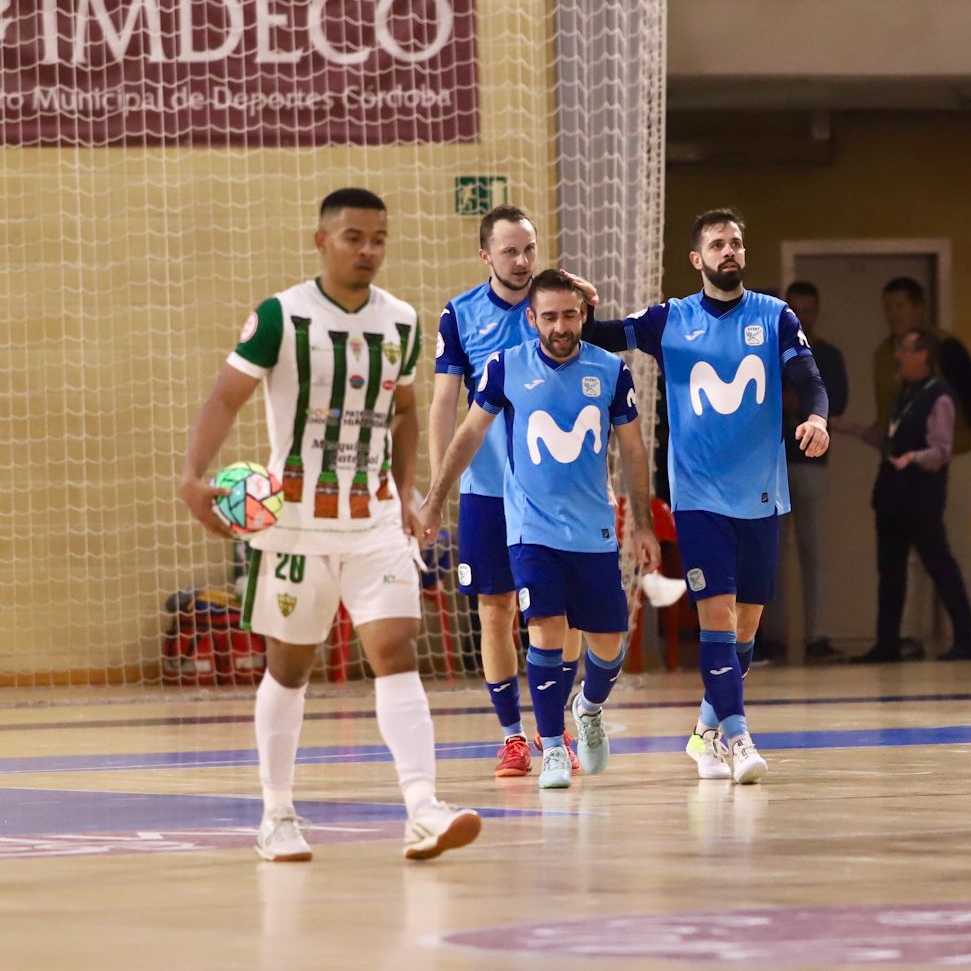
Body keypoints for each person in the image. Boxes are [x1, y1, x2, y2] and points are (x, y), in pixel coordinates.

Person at [178, 188, 480, 862]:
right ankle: (277, 813)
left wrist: (403, 493)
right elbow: (227, 396)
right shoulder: (278, 317)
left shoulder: (401, 321)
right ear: (322, 241)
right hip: (293, 525)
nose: (367, 249)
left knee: (396, 649)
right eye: (353, 237)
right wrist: (194, 477)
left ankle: (423, 806)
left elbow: (404, 412)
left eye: (378, 238)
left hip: (372, 519)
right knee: (289, 667)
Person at [570, 208, 830, 784]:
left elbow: (810, 379)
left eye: (736, 242)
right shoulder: (670, 320)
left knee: (745, 627)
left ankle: (704, 734)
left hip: (762, 494)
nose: (729, 251)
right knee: (716, 614)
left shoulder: (775, 316)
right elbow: (599, 334)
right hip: (699, 496)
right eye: (717, 244)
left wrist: (817, 418)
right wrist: (578, 304)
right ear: (698, 259)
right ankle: (737, 737)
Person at [419, 269, 658, 789]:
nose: (560, 325)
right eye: (548, 316)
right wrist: (437, 499)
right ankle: (550, 747)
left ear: (583, 316)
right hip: (529, 528)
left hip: (594, 531)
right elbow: (466, 435)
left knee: (609, 645)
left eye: (569, 314)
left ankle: (588, 710)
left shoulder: (611, 371)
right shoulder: (505, 368)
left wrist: (642, 525)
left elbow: (634, 451)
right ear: (532, 320)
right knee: (545, 632)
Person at [431, 204, 544, 779]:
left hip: (552, 490)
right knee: (495, 610)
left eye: (529, 249)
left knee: (557, 614)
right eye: (509, 251)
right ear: (486, 255)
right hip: (487, 490)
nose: (522, 261)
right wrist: (437, 492)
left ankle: (562, 728)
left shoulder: (555, 303)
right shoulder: (461, 314)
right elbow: (444, 405)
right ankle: (512, 737)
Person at [873, 278, 971, 651]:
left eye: (901, 306)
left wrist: (953, 440)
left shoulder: (945, 348)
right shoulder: (883, 353)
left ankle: (969, 631)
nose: (894, 314)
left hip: (949, 456)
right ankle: (908, 634)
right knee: (907, 557)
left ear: (919, 309)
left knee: (949, 545)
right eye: (888, 307)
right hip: (902, 465)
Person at [850, 329, 971, 663]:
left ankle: (966, 638)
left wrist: (914, 458)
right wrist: (850, 429)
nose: (897, 356)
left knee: (940, 566)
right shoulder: (904, 393)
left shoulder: (939, 396)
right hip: (892, 495)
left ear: (923, 354)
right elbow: (892, 438)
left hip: (921, 497)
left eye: (905, 350)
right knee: (890, 573)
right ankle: (887, 642)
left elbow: (941, 450)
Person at [773, 280, 849, 662]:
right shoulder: (770, 350)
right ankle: (773, 637)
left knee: (813, 550)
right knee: (772, 551)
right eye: (796, 308)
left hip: (813, 462)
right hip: (773, 463)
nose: (803, 316)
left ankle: (817, 636)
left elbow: (836, 400)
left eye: (809, 309)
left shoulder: (828, 355)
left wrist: (797, 399)